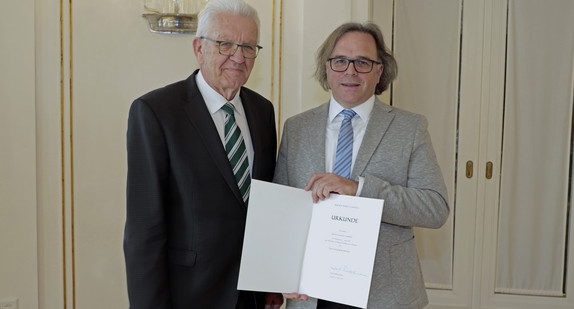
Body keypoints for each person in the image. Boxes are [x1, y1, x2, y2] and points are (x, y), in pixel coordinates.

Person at [273, 22, 449, 309]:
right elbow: (282, 211)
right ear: (326, 68)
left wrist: (360, 189)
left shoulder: (410, 127)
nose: (350, 71)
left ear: (379, 71)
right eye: (340, 61)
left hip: (385, 294)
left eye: (362, 62)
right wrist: (279, 275)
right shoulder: (296, 128)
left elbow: (435, 207)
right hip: (310, 296)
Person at [123, 0, 281, 308]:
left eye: (249, 47)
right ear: (199, 48)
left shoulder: (263, 111)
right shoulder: (156, 112)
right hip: (189, 295)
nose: (238, 57)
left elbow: (265, 206)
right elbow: (145, 232)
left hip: (251, 295)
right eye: (225, 44)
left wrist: (271, 281)